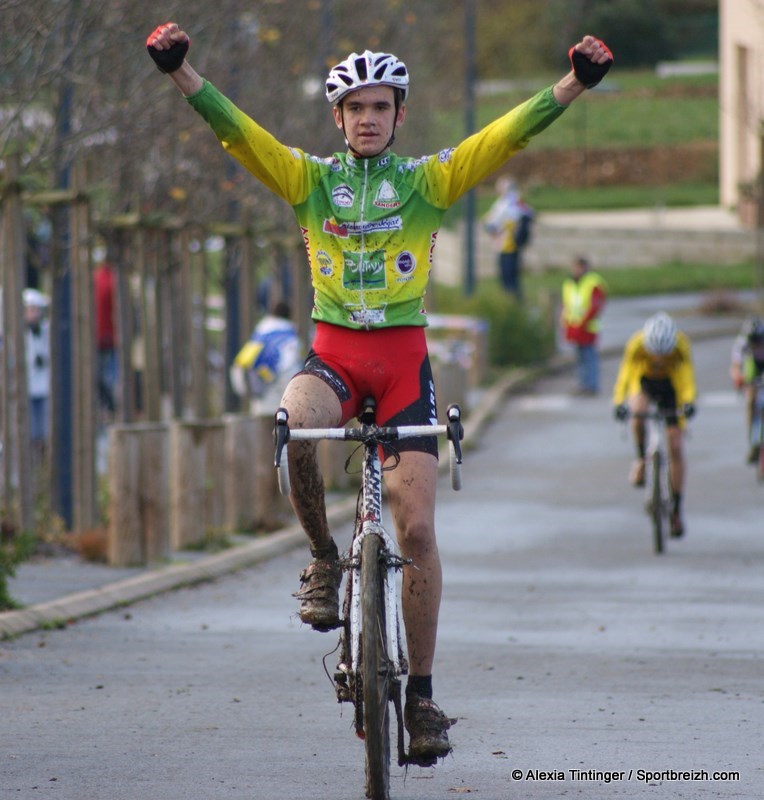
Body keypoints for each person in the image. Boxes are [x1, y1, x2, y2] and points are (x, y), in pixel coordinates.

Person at [147, 22, 613, 764]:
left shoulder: (427, 182)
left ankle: (422, 698)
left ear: (399, 114)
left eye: (380, 106)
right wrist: (182, 74)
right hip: (334, 358)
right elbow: (240, 136)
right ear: (337, 118)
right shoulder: (309, 180)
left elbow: (501, 139)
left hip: (403, 369)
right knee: (294, 422)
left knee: (419, 531)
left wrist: (574, 86)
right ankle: (326, 560)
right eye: (354, 107)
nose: (367, 117)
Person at [612, 312, 696, 538]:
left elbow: (687, 377)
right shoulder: (637, 344)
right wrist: (619, 402)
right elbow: (625, 376)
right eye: (654, 354)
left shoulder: (681, 345)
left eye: (663, 355)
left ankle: (676, 509)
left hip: (671, 388)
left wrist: (688, 402)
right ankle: (641, 459)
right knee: (638, 415)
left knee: (676, 445)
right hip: (645, 383)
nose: (658, 359)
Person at [229, 301, 302, 413]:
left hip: (255, 383)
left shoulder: (260, 332)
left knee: (260, 419)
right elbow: (290, 366)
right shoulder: (289, 336)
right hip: (277, 386)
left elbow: (241, 363)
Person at [560, 255, 607, 395]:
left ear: (584, 267)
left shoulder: (593, 283)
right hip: (575, 327)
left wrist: (583, 322)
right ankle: (583, 384)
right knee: (581, 358)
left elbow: (595, 306)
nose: (575, 270)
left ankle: (591, 385)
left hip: (588, 328)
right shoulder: (569, 283)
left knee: (589, 357)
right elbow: (566, 305)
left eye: (578, 267)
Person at [482, 176, 534, 297]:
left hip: (509, 245)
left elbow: (493, 222)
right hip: (504, 245)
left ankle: (513, 303)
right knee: (508, 278)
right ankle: (511, 302)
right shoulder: (507, 202)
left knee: (509, 278)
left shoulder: (510, 202)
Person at [729, 316, 764, 463]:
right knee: (750, 400)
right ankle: (753, 442)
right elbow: (736, 365)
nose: (755, 344)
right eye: (752, 341)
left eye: (758, 341)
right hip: (753, 370)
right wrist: (738, 378)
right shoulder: (742, 343)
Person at [23, 288, 51, 466]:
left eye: (35, 310)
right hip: (27, 388)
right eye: (29, 310)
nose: (33, 314)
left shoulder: (46, 331)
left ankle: (42, 462)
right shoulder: (20, 334)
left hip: (44, 387)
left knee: (44, 429)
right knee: (30, 430)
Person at [93, 253, 118, 416]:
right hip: (108, 335)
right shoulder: (113, 280)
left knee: (99, 374)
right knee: (106, 375)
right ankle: (110, 405)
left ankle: (108, 405)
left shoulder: (96, 278)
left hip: (99, 334)